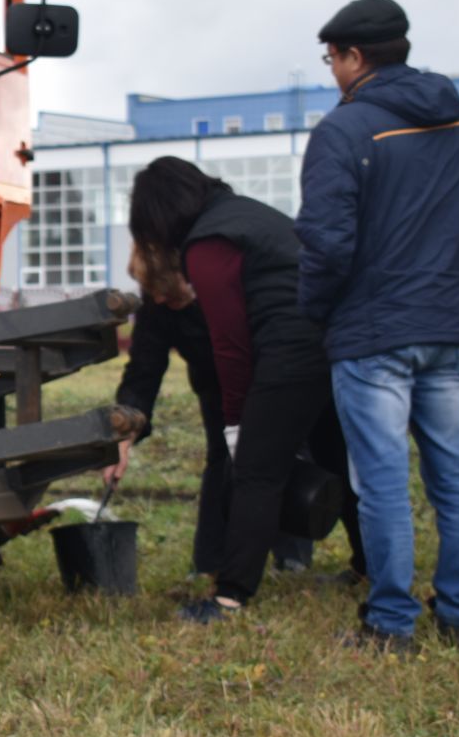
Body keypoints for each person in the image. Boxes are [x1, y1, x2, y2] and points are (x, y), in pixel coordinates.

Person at [297, 0, 459, 653]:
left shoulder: (344, 131)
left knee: (382, 480)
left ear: (355, 57)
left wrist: (317, 314)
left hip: (373, 334)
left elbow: (326, 243)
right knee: (456, 476)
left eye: (332, 58)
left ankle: (391, 625)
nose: (332, 70)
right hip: (450, 329)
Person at [126, 157, 365, 624]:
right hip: (335, 340)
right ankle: (367, 565)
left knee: (256, 471)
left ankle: (230, 596)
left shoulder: (209, 242)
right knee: (338, 456)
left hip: (289, 350)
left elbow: (231, 346)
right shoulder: (250, 215)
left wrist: (238, 422)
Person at [106, 246, 314, 578]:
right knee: (221, 460)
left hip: (267, 372)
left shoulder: (229, 280)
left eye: (166, 292)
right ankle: (208, 563)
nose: (159, 301)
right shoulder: (157, 302)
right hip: (214, 384)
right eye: (152, 292)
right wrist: (124, 436)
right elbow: (143, 371)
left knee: (283, 453)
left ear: (187, 276)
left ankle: (292, 555)